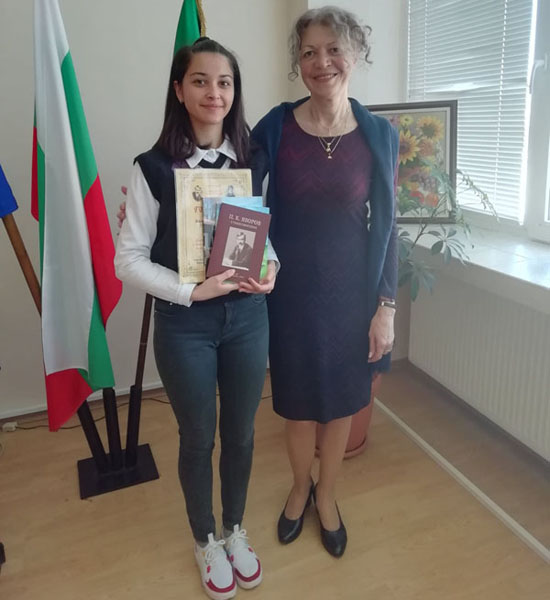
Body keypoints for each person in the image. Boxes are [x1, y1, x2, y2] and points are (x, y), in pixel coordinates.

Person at [115, 38, 278, 600]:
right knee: (198, 437)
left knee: (242, 433)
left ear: (235, 92)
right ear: (179, 90)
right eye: (201, 81)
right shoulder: (153, 168)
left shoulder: (255, 160)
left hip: (248, 317)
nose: (215, 93)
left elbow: (263, 236)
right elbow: (127, 260)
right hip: (185, 325)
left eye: (225, 82)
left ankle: (235, 529)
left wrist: (271, 268)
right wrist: (192, 290)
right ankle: (205, 538)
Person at [251, 6, 398, 558]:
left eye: (334, 49)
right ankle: (299, 488)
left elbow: (388, 228)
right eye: (309, 52)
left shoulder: (379, 135)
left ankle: (328, 495)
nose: (322, 62)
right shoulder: (276, 126)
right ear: (299, 62)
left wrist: (385, 306)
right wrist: (168, 199)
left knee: (339, 403)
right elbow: (231, 190)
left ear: (355, 55)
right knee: (296, 402)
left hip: (351, 297)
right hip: (288, 294)